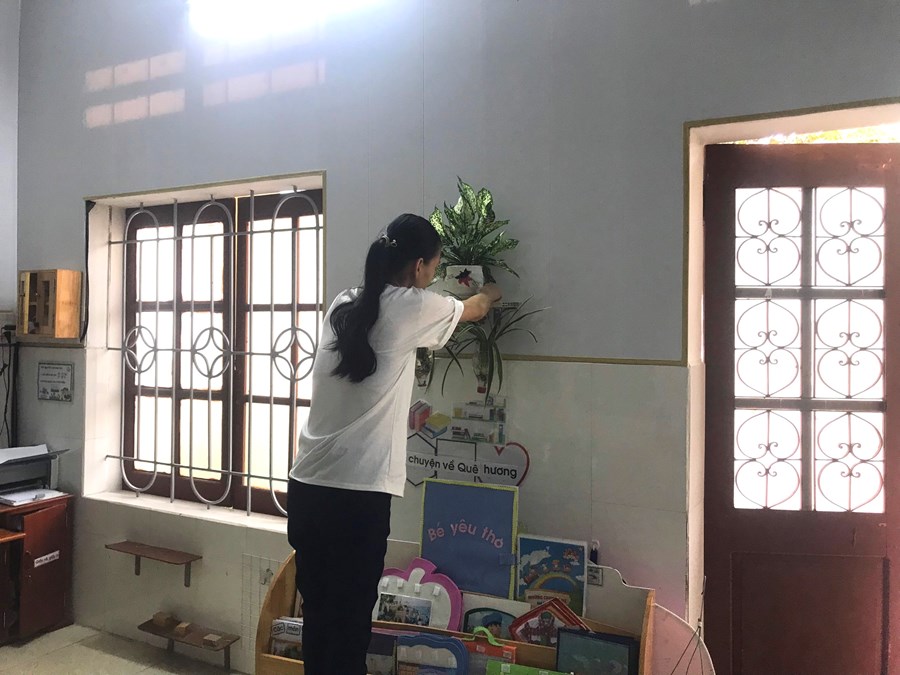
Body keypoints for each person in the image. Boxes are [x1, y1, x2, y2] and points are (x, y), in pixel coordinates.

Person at [287, 213, 503, 675]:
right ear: (420, 266)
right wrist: (491, 291)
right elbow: (475, 309)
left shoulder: (344, 303)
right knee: (350, 628)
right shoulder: (412, 307)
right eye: (435, 267)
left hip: (307, 487)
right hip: (356, 495)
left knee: (320, 619)